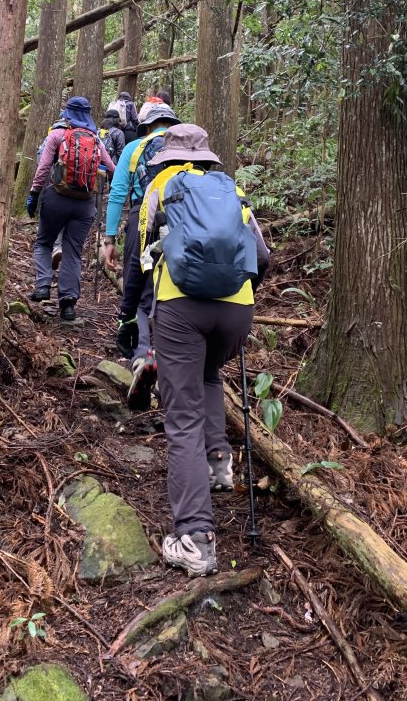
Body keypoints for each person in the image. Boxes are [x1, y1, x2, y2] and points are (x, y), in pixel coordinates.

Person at [135, 124, 269, 577]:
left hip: (180, 310)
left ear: (166, 156)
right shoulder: (232, 188)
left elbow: (144, 261)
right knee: (210, 374)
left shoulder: (159, 187)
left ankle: (194, 536)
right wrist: (239, 294)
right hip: (236, 312)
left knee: (182, 416)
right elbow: (263, 256)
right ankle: (218, 464)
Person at [102, 102, 181, 365]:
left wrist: (110, 238)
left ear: (145, 127)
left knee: (140, 273)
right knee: (168, 280)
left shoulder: (134, 148)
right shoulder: (188, 149)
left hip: (142, 218)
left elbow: (117, 194)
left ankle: (139, 347)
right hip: (181, 221)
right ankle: (169, 350)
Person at [26, 96, 115, 321]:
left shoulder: (57, 134)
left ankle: (43, 286)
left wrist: (34, 194)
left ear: (66, 112)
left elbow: (44, 166)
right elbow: (112, 168)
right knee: (73, 251)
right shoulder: (95, 139)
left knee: (44, 242)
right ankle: (68, 304)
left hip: (56, 197)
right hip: (85, 204)